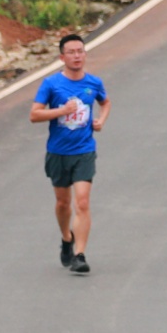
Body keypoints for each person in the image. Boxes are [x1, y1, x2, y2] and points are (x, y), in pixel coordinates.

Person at [30, 33, 110, 274]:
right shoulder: (51, 84)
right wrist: (62, 110)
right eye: (72, 52)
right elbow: (34, 115)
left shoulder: (94, 83)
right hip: (57, 152)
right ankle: (67, 238)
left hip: (84, 150)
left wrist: (101, 121)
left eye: (81, 51)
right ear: (62, 57)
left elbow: (105, 102)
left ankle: (80, 254)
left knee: (82, 202)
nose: (77, 56)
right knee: (63, 203)